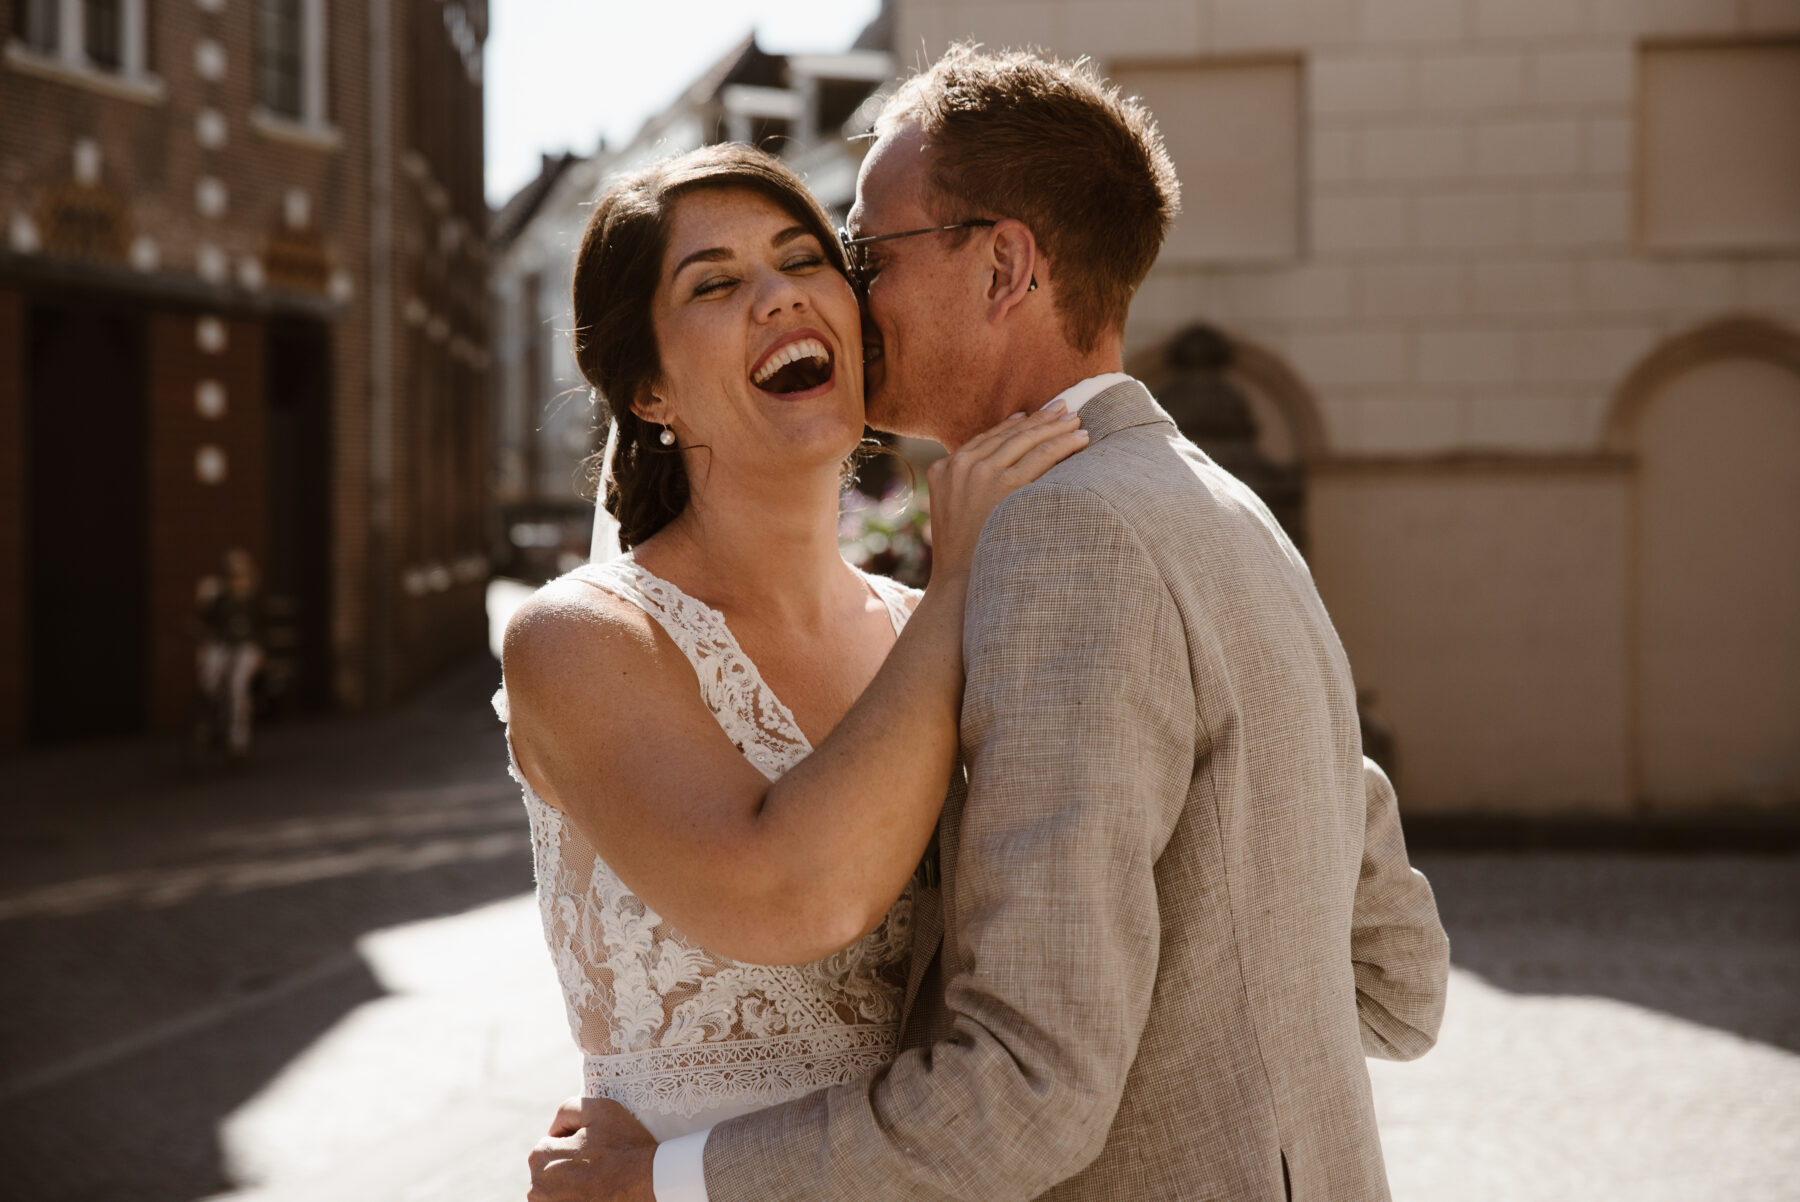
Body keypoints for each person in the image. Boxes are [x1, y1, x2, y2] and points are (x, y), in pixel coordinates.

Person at [532, 46, 1451, 1202]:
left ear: (1004, 265)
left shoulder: (1067, 537)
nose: (843, 296)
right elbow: (1397, 984)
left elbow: (1031, 1087)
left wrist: (659, 1182)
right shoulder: (1230, 511)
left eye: (863, 255)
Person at [495, 143, 1089, 1163]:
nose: (779, 296)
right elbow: (792, 896)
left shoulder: (929, 623)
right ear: (649, 390)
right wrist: (960, 577)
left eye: (804, 260)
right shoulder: (578, 638)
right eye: (714, 283)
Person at [195, 548, 264, 760]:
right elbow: (207, 621)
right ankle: (210, 720)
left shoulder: (252, 600)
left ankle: (238, 738)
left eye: (240, 574)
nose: (236, 580)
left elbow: (261, 630)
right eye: (232, 575)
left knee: (238, 686)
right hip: (223, 645)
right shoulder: (221, 598)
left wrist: (260, 652)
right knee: (211, 676)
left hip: (245, 647)